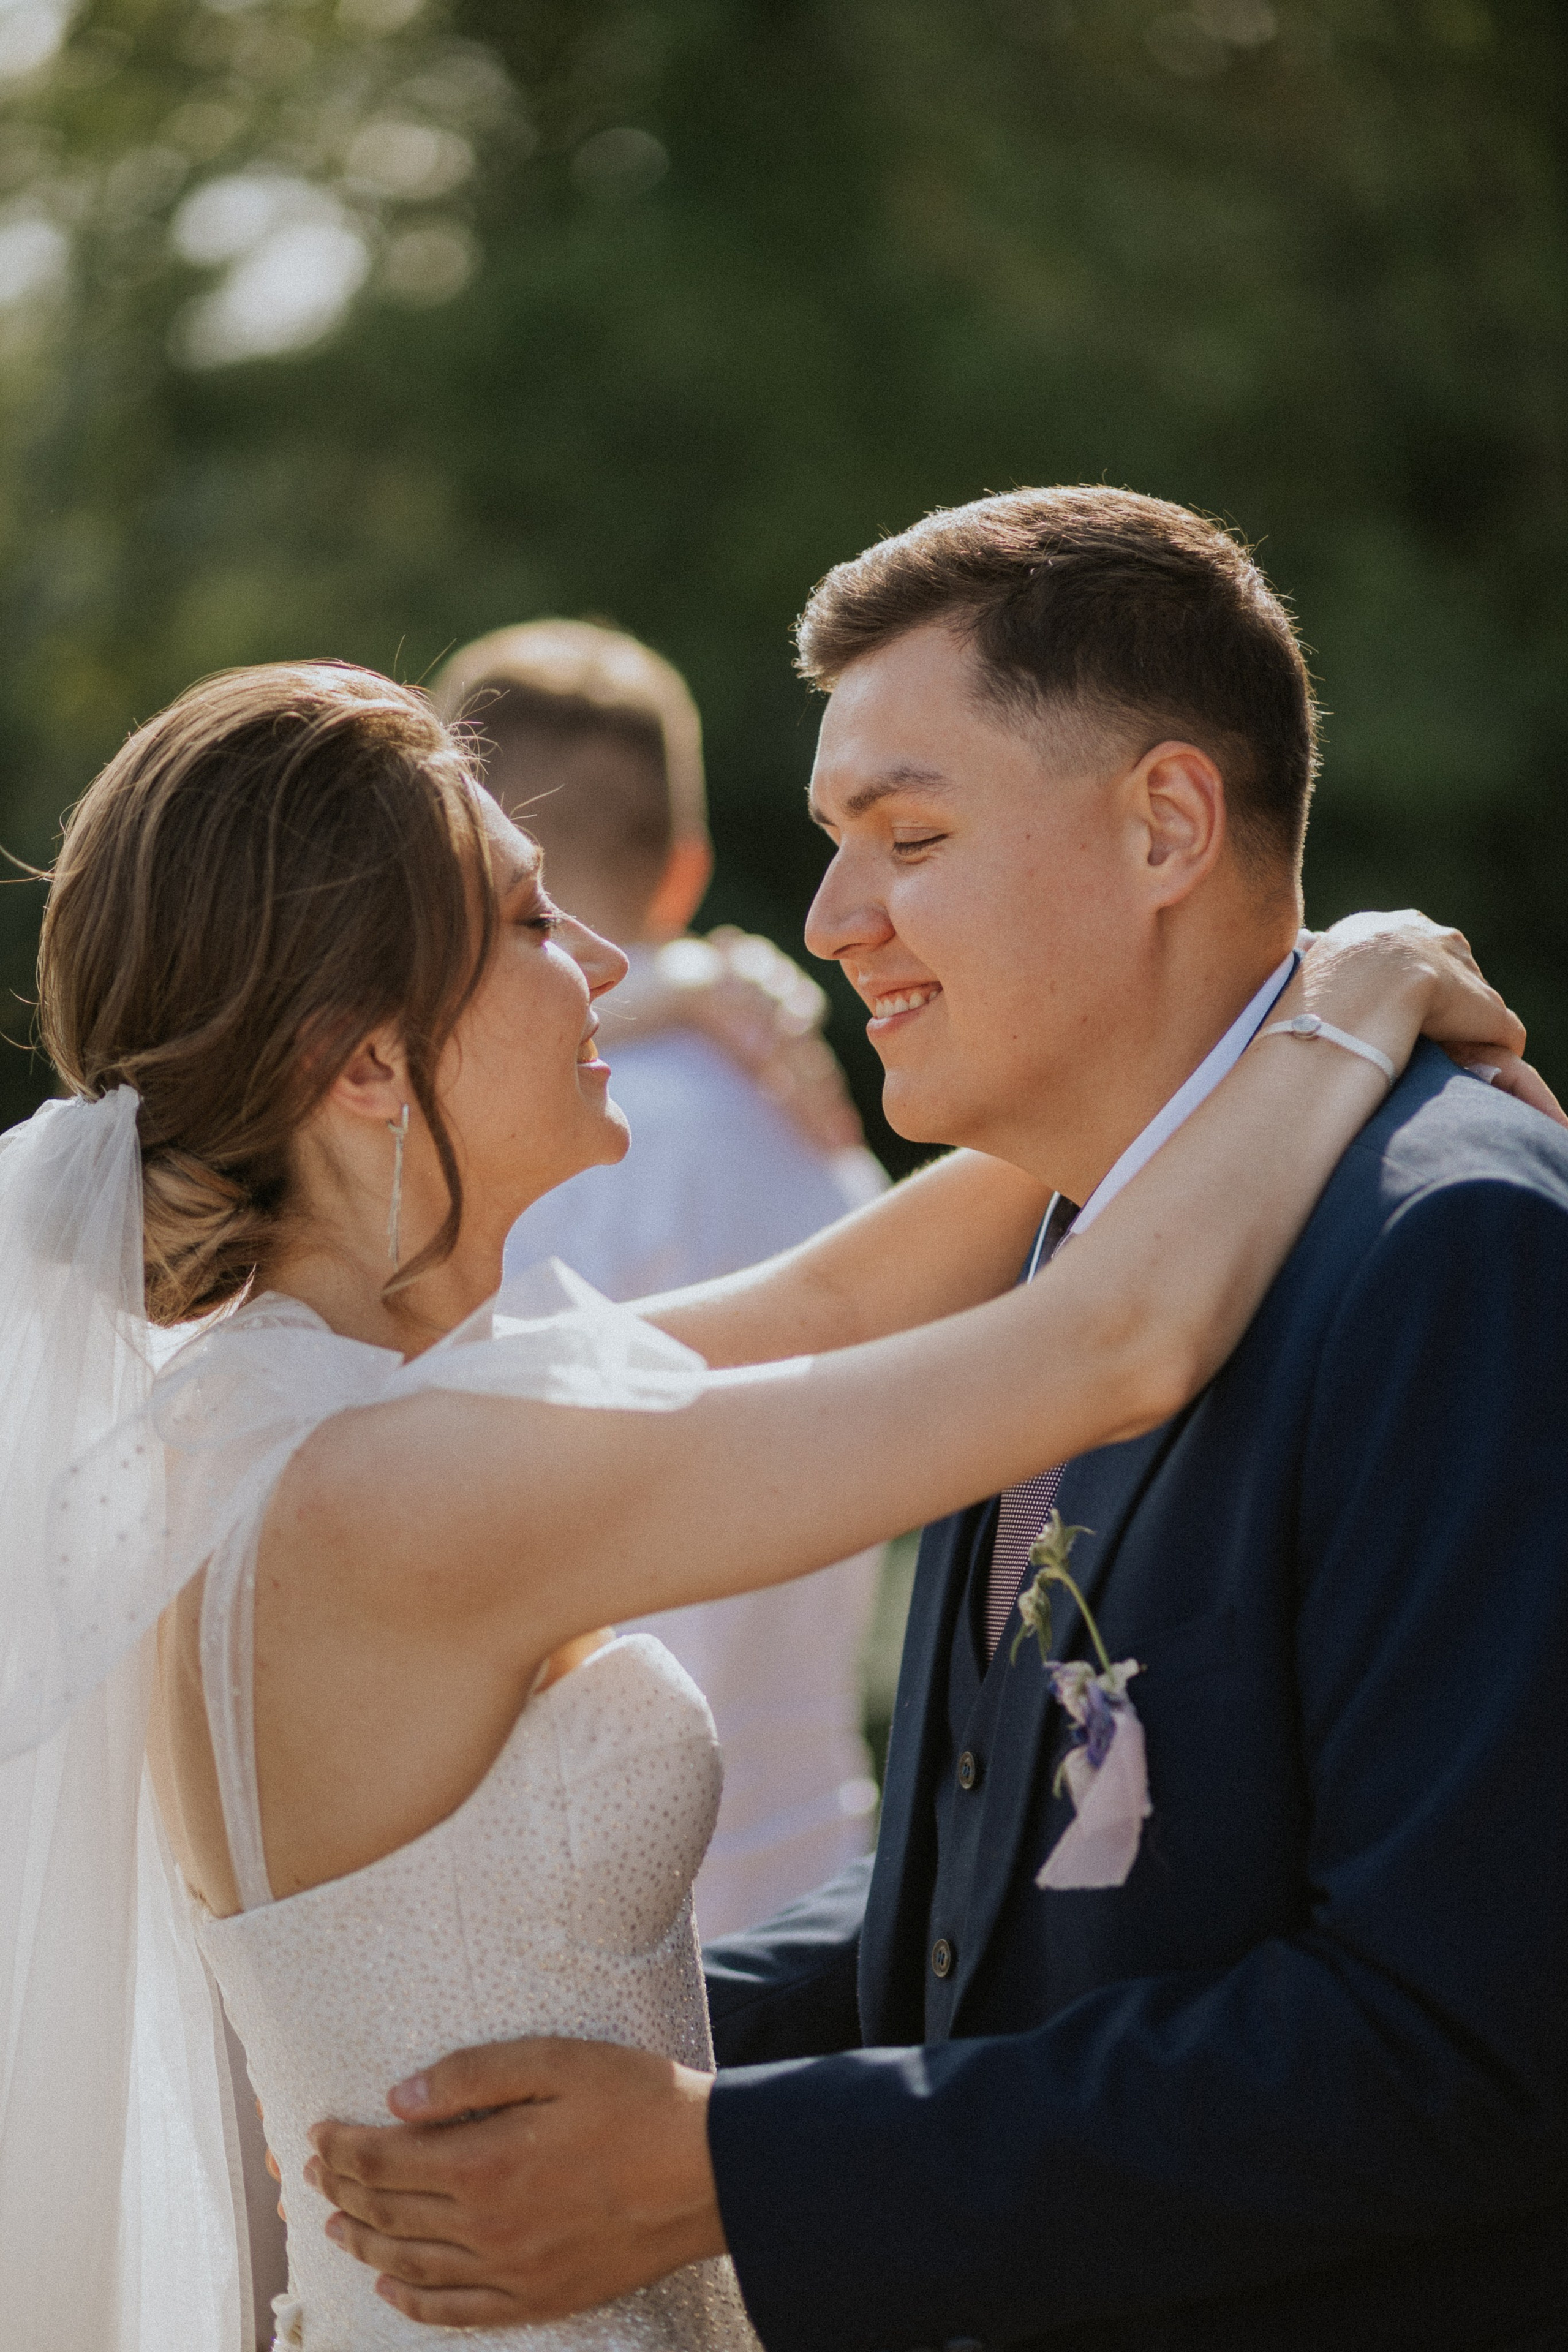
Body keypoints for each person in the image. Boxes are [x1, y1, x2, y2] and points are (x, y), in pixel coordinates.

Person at [0, 660, 1521, 2351]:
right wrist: (1339, 1001)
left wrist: (1191, 1011)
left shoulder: (322, 1414)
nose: (599, 962)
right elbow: (1111, 1345)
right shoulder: (398, 1488)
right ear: (363, 1070)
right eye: (525, 922)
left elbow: (827, 1314)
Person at [435, 620, 888, 1937]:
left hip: (531, 1912)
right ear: (685, 869)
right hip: (807, 1894)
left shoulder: (447, 1172)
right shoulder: (822, 1156)